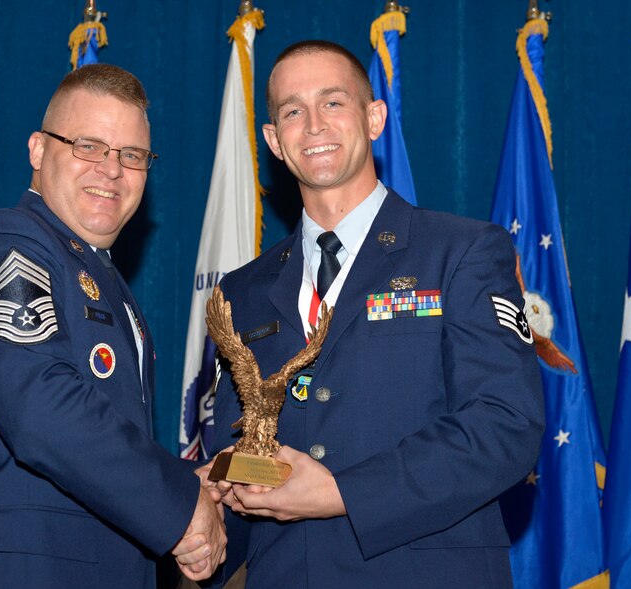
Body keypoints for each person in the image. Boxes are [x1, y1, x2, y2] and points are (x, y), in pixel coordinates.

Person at [207, 40, 545, 588]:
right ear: (273, 140)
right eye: (292, 111)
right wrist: (201, 519)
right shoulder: (241, 292)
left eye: (334, 103)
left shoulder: (461, 252)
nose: (313, 124)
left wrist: (343, 493)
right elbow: (243, 451)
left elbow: (505, 426)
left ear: (374, 117)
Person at [0, 64, 224, 588]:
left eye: (132, 156)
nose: (111, 170)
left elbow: (110, 430)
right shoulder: (9, 246)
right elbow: (40, 408)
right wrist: (178, 508)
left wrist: (188, 484)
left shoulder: (100, 278)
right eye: (89, 146)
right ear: (39, 151)